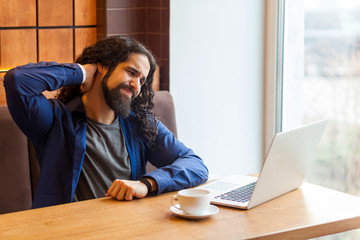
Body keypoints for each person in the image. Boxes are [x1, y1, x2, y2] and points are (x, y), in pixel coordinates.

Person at [4, 36, 208, 209]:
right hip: (65, 231)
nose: (136, 85)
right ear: (102, 66)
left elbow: (196, 166)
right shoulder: (54, 120)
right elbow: (17, 81)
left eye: (142, 80)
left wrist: (148, 184)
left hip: (125, 229)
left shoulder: (140, 125)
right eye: (131, 72)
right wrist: (81, 73)